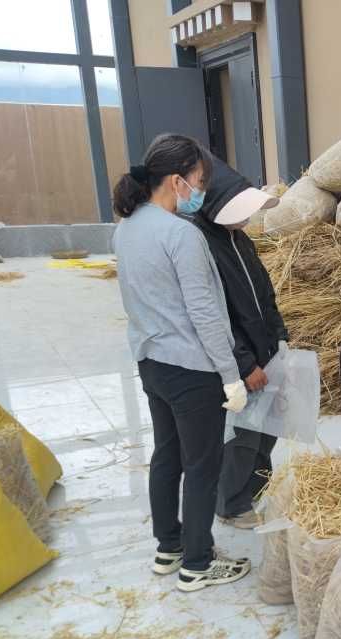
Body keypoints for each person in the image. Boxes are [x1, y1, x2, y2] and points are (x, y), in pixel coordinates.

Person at [112, 134, 251, 592]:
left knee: (167, 455)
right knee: (203, 465)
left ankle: (168, 547)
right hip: (191, 369)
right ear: (177, 181)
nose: (201, 191)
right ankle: (197, 564)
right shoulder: (182, 235)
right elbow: (204, 312)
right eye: (199, 181)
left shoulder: (126, 228)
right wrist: (230, 375)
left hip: (152, 363)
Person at [186, 158, 284, 529]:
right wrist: (244, 364)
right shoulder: (203, 245)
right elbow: (215, 314)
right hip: (240, 361)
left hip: (264, 352)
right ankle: (232, 504)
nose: (247, 218)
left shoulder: (240, 241)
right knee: (242, 436)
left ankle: (255, 492)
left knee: (266, 431)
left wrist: (280, 339)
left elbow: (265, 295)